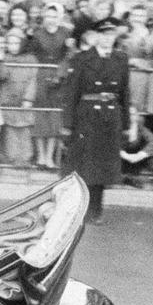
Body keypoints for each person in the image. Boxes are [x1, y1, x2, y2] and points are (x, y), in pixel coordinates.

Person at [61, 17, 131, 224]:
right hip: (87, 116)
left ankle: (96, 210)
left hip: (110, 117)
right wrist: (67, 124)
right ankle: (80, 209)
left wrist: (126, 125)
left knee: (102, 166)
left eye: (111, 35)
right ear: (96, 37)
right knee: (84, 164)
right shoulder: (82, 58)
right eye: (104, 35)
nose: (108, 39)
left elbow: (125, 93)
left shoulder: (121, 59)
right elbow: (72, 93)